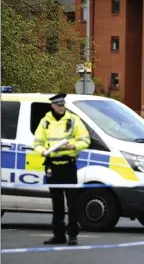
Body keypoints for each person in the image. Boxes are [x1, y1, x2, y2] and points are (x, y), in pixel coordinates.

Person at [33, 93, 91, 246]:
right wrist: (42, 151)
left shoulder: (73, 120)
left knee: (72, 202)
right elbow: (37, 142)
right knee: (56, 203)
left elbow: (85, 140)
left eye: (63, 105)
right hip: (52, 166)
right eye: (59, 105)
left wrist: (75, 146)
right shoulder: (45, 121)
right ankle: (58, 235)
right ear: (52, 105)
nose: (61, 107)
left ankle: (72, 235)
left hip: (68, 165)